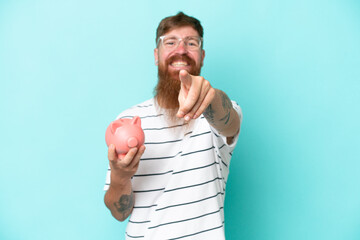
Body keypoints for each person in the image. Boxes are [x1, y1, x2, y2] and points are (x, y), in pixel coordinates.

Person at [104, 12, 242, 240]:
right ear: (156, 55)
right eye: (170, 42)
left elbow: (229, 122)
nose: (181, 50)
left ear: (202, 56)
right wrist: (120, 177)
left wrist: (209, 96)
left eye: (191, 43)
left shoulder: (220, 112)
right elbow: (119, 213)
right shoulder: (128, 119)